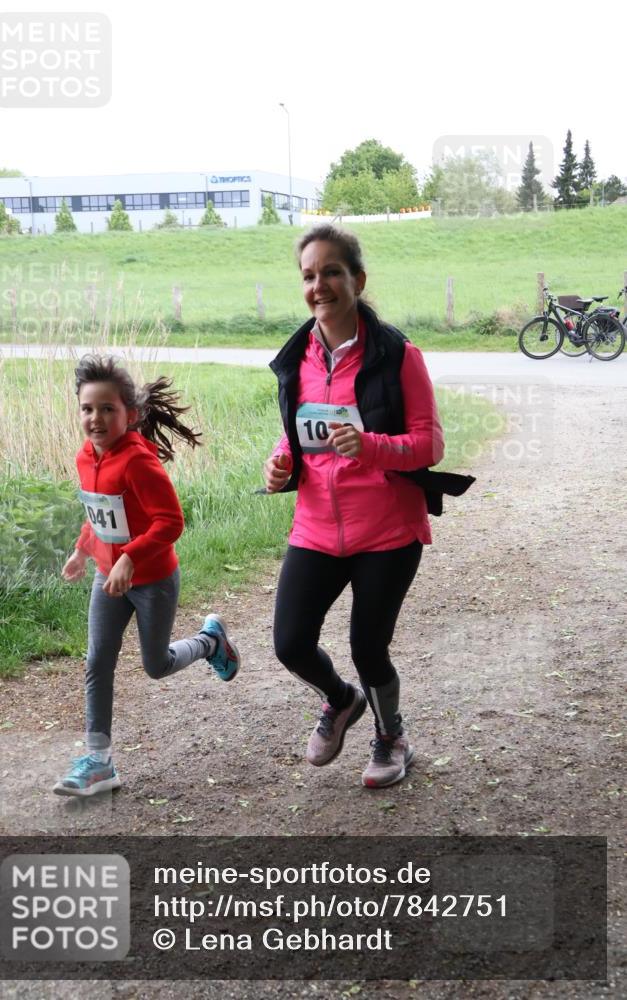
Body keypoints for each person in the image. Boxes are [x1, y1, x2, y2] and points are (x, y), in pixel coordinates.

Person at [263, 224, 473, 789]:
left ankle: (391, 737)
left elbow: (429, 443)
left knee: (366, 645)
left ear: (357, 279)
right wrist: (281, 462)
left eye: (332, 272)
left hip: (387, 530)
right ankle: (341, 699)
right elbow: (298, 433)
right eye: (309, 275)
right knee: (289, 642)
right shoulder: (297, 358)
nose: (319, 285)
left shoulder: (398, 355)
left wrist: (373, 447)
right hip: (315, 527)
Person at [54, 354, 240, 797]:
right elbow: (101, 513)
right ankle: (99, 762)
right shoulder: (85, 458)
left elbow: (171, 521)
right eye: (87, 409)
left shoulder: (138, 460)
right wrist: (83, 551)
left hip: (152, 580)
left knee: (156, 666)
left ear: (130, 414)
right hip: (107, 577)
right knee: (98, 659)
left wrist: (131, 558)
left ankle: (210, 641)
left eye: (107, 409)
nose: (96, 418)